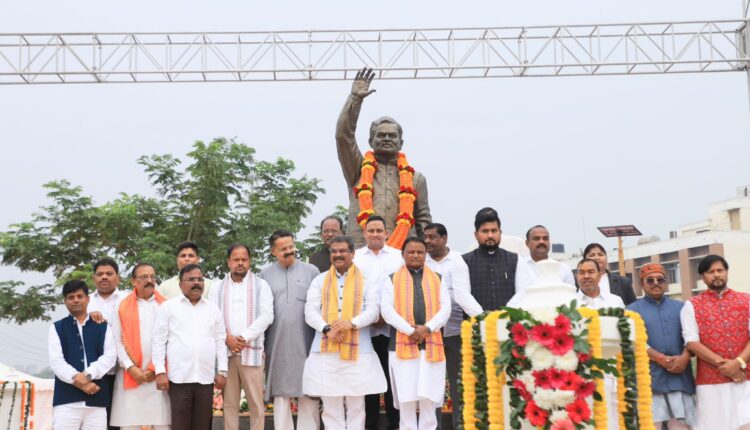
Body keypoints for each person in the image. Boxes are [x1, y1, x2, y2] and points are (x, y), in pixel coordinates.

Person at [336, 68, 431, 247]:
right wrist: (355, 100)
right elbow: (343, 136)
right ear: (371, 141)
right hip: (362, 250)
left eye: (392, 136)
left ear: (401, 143)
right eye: (381, 135)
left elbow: (423, 221)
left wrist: (424, 253)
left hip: (403, 253)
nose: (387, 139)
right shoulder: (356, 170)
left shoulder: (416, 179)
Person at [303, 236, 387, 430]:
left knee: (357, 404)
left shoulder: (365, 280)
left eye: (342, 251)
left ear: (352, 253)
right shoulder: (320, 280)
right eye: (334, 251)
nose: (338, 255)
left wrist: (352, 323)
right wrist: (327, 329)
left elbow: (373, 311)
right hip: (326, 351)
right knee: (331, 405)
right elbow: (310, 311)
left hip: (358, 351)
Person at [381, 238, 451, 430]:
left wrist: (427, 328)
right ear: (403, 255)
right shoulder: (391, 279)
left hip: (431, 347)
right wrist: (411, 331)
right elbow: (387, 311)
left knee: (429, 398)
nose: (415, 255)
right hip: (401, 348)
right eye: (410, 252)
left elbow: (445, 309)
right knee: (407, 399)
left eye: (420, 252)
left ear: (425, 255)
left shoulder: (438, 278)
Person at [152, 264, 228, 430]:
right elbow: (158, 341)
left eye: (200, 279)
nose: (196, 283)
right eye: (191, 279)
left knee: (202, 425)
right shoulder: (168, 307)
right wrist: (160, 371)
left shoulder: (213, 308)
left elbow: (220, 341)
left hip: (205, 379)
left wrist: (222, 371)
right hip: (179, 379)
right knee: (180, 425)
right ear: (180, 284)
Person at [259, 230, 321, 430]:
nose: (289, 251)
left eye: (291, 246)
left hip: (307, 343)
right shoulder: (264, 275)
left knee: (308, 392)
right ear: (273, 251)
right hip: (276, 345)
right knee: (281, 395)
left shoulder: (311, 271)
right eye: (283, 248)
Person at [680, 255, 750, 430]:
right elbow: (691, 342)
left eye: (720, 270)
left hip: (745, 378)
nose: (716, 275)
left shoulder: (746, 300)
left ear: (727, 272)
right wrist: (727, 367)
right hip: (710, 383)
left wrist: (738, 363)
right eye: (711, 272)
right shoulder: (692, 305)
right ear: (703, 277)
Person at [423, 222, 482, 429]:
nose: (428, 241)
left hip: (456, 332)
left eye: (432, 237)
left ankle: (461, 425)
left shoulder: (458, 260)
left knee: (460, 384)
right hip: (430, 334)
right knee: (433, 385)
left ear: (444, 238)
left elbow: (462, 295)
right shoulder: (422, 261)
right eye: (426, 237)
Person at [209, 244, 274, 430]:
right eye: (236, 259)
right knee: (229, 404)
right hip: (226, 353)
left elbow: (267, 316)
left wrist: (243, 337)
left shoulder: (261, 285)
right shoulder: (217, 287)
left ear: (249, 261)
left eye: (244, 259)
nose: (240, 263)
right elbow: (213, 317)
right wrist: (227, 337)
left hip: (251, 352)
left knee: (255, 403)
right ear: (229, 262)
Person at [627, 263, 696, 429]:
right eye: (650, 280)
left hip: (680, 379)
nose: (656, 283)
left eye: (660, 279)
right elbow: (633, 342)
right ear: (642, 284)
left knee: (681, 426)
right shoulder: (630, 311)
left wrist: (685, 358)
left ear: (665, 282)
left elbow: (692, 337)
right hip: (650, 381)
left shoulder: (682, 307)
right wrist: (660, 358)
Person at [353, 215, 403, 430]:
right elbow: (353, 291)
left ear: (386, 233)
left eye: (379, 230)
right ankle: (370, 425)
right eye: (370, 230)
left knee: (394, 380)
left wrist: (385, 315)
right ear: (364, 233)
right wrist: (369, 316)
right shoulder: (355, 258)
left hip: (393, 329)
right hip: (365, 330)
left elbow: (402, 289)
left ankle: (395, 424)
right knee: (368, 380)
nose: (375, 234)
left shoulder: (398, 257)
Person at [109, 263, 171, 430]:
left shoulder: (167, 305)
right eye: (144, 277)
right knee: (130, 425)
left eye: (152, 277)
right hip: (131, 375)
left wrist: (155, 369)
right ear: (133, 281)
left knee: (162, 424)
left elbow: (171, 341)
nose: (149, 280)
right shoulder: (121, 306)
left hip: (158, 375)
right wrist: (130, 368)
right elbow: (116, 340)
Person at [49, 280, 117, 430]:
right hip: (67, 400)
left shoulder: (103, 326)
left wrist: (88, 375)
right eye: (71, 297)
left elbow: (110, 357)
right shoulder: (57, 328)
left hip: (97, 400)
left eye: (80, 296)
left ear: (88, 298)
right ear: (65, 301)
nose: (76, 300)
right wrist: (79, 380)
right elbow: (56, 362)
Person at [575, 258, 623, 430]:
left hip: (612, 370)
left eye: (591, 272)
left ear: (600, 275)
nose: (586, 276)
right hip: (582, 372)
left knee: (614, 419)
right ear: (576, 276)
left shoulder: (615, 301)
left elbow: (624, 334)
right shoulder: (569, 303)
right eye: (581, 272)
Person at [86, 258, 128, 429]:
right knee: (95, 419)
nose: (104, 277)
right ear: (93, 278)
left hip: (124, 369)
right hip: (95, 371)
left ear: (118, 277)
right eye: (100, 274)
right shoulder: (85, 302)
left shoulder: (128, 299)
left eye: (109, 274)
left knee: (118, 420)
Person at [462, 208, 529, 311]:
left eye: (494, 231)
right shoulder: (464, 261)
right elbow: (462, 295)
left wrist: (503, 316)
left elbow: (523, 292)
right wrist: (483, 318)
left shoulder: (516, 260)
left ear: (500, 232)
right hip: (474, 324)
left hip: (508, 323)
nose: (490, 235)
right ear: (476, 235)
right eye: (485, 231)